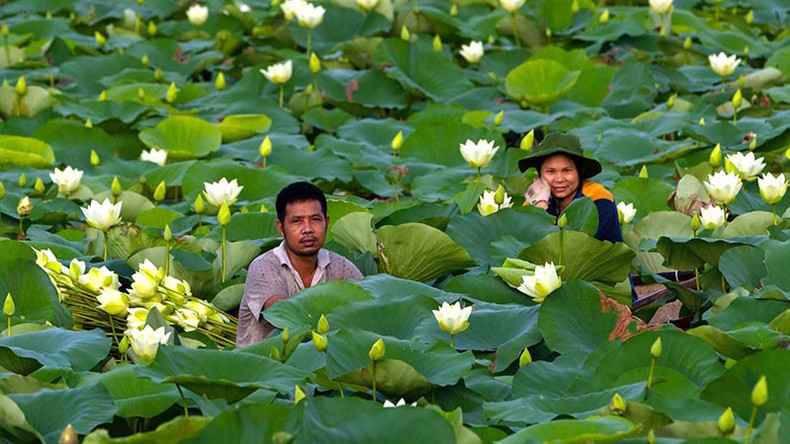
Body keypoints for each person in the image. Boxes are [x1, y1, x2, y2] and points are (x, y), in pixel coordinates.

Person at [237, 182, 363, 347]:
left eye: (315, 219)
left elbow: (369, 308)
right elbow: (285, 315)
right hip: (266, 366)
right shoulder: (263, 267)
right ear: (281, 228)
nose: (308, 229)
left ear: (327, 222)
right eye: (297, 221)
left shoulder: (342, 267)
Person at [519, 131, 623, 244]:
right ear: (540, 174)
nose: (559, 179)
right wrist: (540, 205)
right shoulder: (536, 198)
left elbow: (573, 249)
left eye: (567, 171)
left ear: (580, 171)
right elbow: (524, 242)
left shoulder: (600, 199)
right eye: (550, 171)